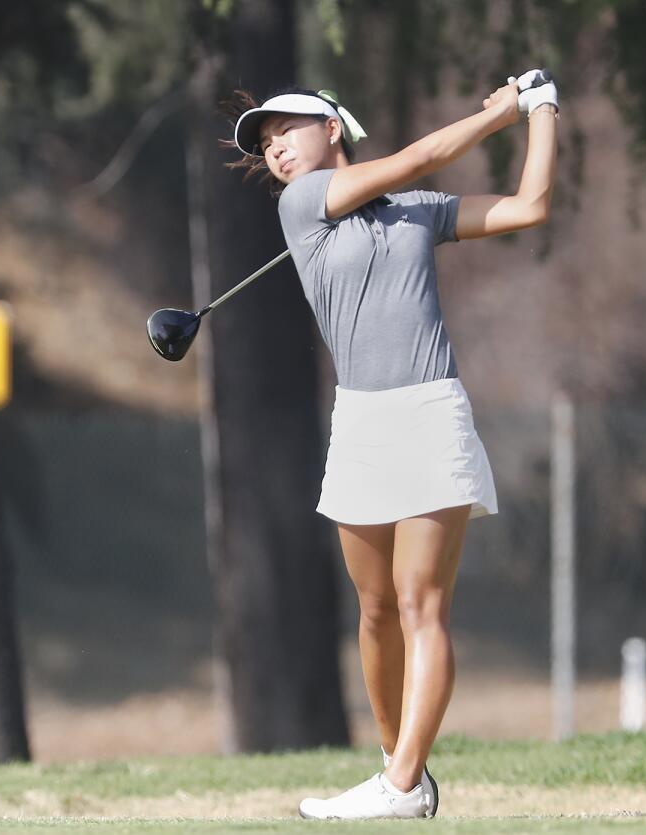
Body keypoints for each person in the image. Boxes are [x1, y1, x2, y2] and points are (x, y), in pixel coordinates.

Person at [221, 71, 559, 820]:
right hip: (362, 423)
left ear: (331, 130)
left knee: (419, 603)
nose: (276, 150)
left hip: (432, 410)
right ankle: (395, 764)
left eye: (287, 133)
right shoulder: (300, 205)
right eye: (267, 144)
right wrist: (494, 115)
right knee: (375, 610)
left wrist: (540, 112)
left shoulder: (416, 214)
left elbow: (529, 207)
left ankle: (404, 784)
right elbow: (415, 158)